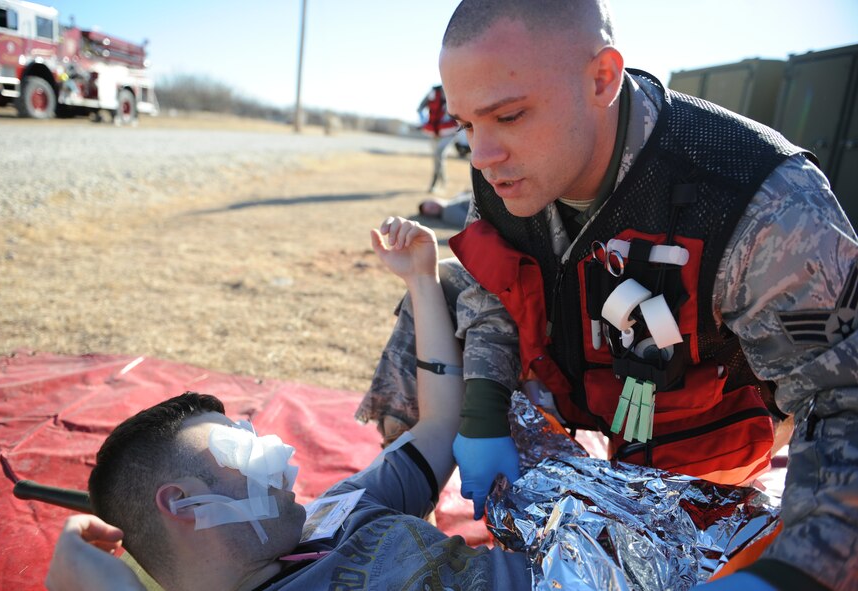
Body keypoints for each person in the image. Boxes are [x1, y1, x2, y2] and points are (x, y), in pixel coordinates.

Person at [356, 1, 858, 590]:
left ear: (601, 79)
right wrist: (483, 412)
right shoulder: (507, 165)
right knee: (436, 289)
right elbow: (494, 289)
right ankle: (402, 493)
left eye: (510, 116)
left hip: (696, 433)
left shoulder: (759, 199)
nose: (484, 156)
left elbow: (843, 398)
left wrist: (796, 573)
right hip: (570, 391)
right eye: (468, 126)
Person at [45, 218, 532, 591]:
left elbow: (440, 425)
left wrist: (422, 283)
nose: (273, 449)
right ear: (184, 503)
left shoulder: (330, 514)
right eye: (239, 446)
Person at [418, 84, 459, 193]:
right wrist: (424, 122)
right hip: (434, 132)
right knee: (436, 157)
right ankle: (443, 179)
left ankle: (434, 183)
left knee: (439, 153)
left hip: (449, 132)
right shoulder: (433, 93)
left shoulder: (456, 91)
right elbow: (420, 108)